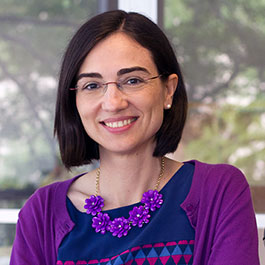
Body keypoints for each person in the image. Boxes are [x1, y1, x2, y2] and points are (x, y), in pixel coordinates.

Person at [10, 10, 259, 265]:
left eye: (132, 80)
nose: (113, 102)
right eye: (92, 85)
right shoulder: (42, 214)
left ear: (168, 91)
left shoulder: (218, 191)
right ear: (74, 101)